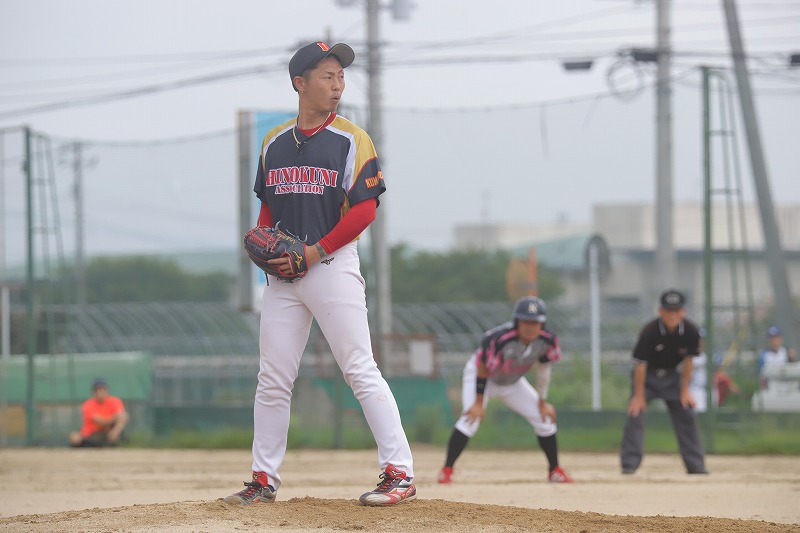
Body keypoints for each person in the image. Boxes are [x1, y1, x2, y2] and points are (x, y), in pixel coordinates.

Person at [224, 41, 415, 507]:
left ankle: (399, 473)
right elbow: (268, 209)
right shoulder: (274, 142)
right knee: (272, 378)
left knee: (359, 368)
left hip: (331, 265)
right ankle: (263, 479)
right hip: (284, 277)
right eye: (327, 76)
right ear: (300, 83)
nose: (337, 84)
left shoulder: (351, 138)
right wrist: (266, 247)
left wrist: (315, 251)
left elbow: (365, 210)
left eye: (340, 76)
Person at [437, 296, 573, 484]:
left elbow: (543, 371)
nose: (530, 327)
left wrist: (542, 401)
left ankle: (554, 470)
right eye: (525, 321)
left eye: (535, 323)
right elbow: (483, 367)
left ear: (542, 324)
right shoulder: (498, 338)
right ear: (517, 322)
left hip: (512, 381)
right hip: (482, 376)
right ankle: (446, 470)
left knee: (545, 418)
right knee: (470, 418)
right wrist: (478, 403)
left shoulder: (547, 340)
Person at [620, 289, 708, 475]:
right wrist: (639, 396)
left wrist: (685, 391)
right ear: (661, 311)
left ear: (683, 312)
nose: (672, 315)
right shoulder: (650, 331)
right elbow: (640, 365)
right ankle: (629, 464)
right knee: (635, 413)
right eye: (668, 310)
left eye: (676, 310)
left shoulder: (691, 331)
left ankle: (696, 465)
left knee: (687, 413)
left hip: (672, 377)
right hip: (647, 377)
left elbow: (689, 362)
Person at [69, 378, 129, 447]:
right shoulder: (88, 404)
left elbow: (123, 416)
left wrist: (115, 431)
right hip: (92, 434)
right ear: (94, 392)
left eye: (103, 389)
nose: (100, 392)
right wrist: (115, 417)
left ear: (107, 390)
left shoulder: (115, 401)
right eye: (98, 390)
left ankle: (113, 441)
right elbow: (101, 422)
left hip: (108, 432)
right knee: (75, 437)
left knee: (121, 418)